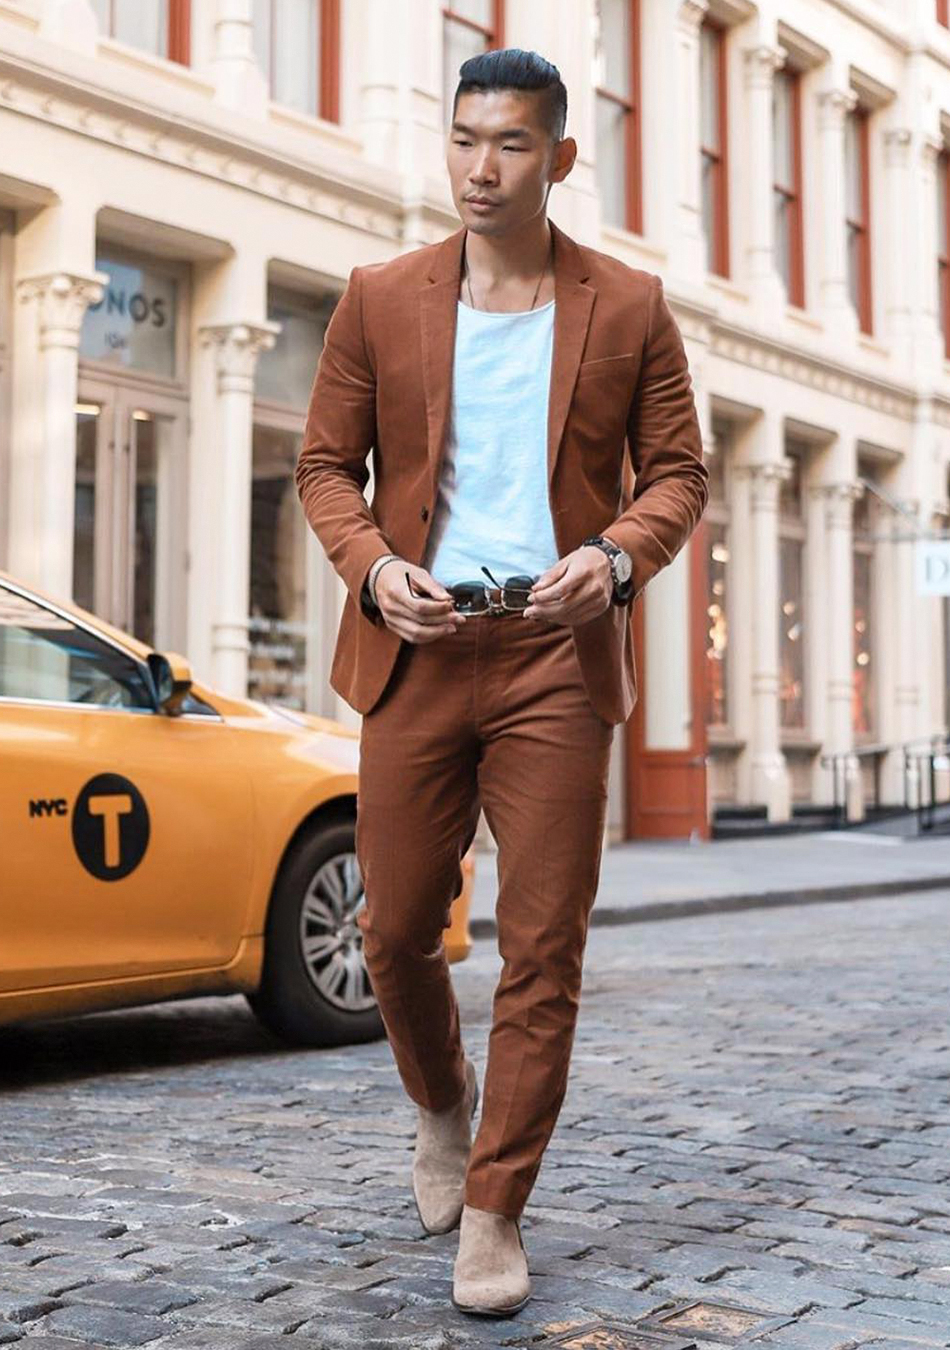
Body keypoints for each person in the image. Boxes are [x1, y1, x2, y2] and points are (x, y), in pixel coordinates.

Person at [295, 47, 708, 1318]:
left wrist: (613, 558)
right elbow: (323, 466)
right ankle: (439, 1104)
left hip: (551, 652)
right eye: (465, 140)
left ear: (559, 158)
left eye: (511, 144)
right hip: (416, 649)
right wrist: (370, 572)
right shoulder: (378, 295)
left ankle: (494, 1206)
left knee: (543, 950)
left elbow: (677, 475)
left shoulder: (628, 306)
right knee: (392, 928)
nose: (482, 167)